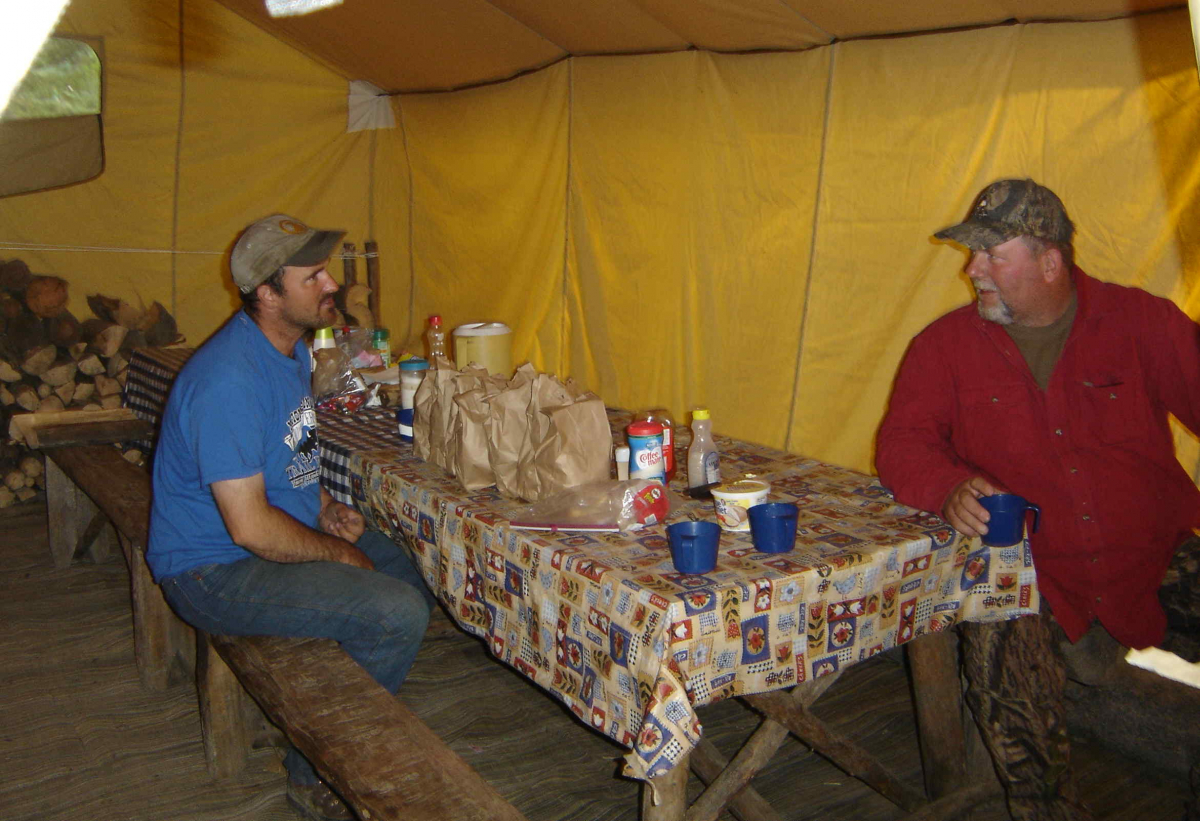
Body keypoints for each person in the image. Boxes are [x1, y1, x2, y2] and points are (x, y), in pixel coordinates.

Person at [876, 179, 1200, 821]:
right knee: (1006, 684)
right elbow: (901, 445)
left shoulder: (1143, 323)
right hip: (1036, 569)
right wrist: (947, 487)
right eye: (974, 255)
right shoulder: (942, 349)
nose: (972, 270)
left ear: (1050, 261)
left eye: (993, 256)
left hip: (1156, 551)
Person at [147, 214, 435, 821]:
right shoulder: (228, 379)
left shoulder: (291, 351)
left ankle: (336, 710)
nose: (331, 284)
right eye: (313, 276)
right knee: (394, 612)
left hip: (265, 535)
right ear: (267, 294)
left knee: (414, 574)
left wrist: (325, 509)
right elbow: (249, 528)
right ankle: (314, 775)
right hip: (210, 569)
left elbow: (289, 461)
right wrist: (340, 556)